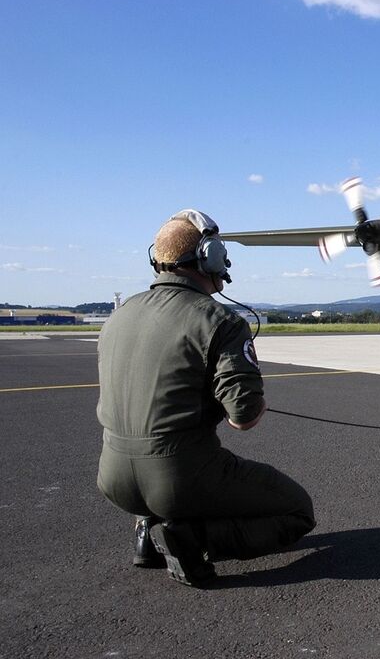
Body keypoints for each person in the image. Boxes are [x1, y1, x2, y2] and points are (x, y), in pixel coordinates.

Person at [96, 209, 315, 587]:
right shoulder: (221, 321)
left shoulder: (119, 315)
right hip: (177, 477)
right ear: (208, 257)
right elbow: (243, 417)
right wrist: (251, 401)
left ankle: (147, 529)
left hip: (113, 479)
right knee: (298, 509)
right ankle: (190, 540)